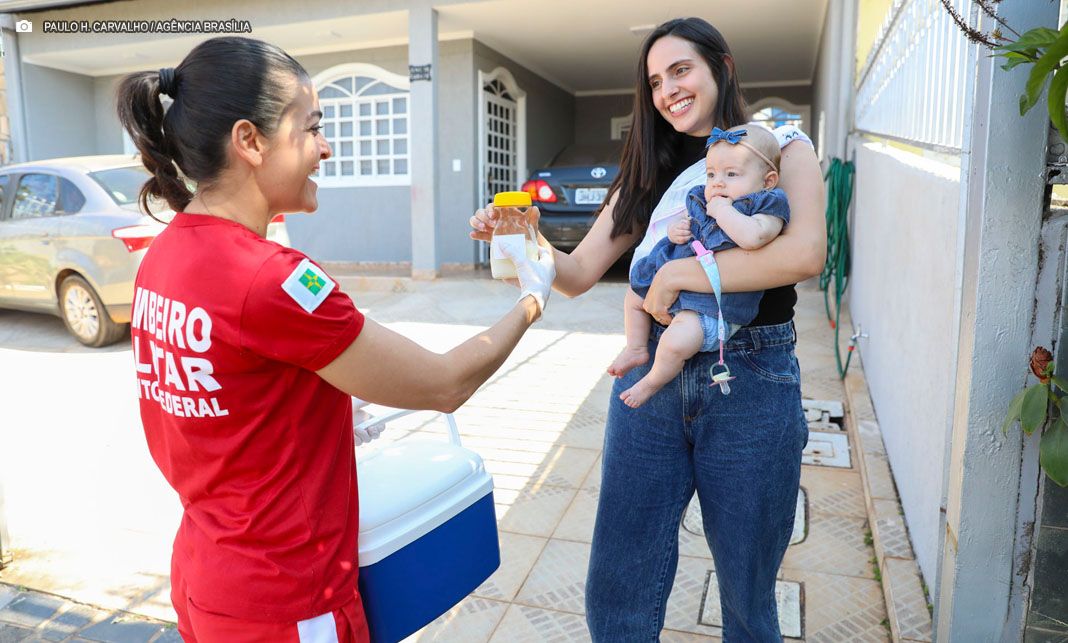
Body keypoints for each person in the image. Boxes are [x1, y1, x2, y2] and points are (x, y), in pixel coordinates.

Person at [118, 36, 554, 643]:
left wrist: (317, 412)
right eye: (312, 127)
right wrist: (533, 297)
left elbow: (223, 398)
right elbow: (444, 383)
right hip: (289, 598)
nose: (326, 147)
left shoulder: (164, 255)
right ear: (250, 141)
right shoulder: (272, 278)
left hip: (207, 577)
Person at [470, 17, 825, 642]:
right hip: (651, 374)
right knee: (620, 582)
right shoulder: (648, 166)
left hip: (750, 374)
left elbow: (803, 254)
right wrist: (521, 237)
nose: (668, 90)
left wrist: (676, 274)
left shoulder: (780, 149)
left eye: (681, 70)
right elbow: (578, 273)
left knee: (747, 590)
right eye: (655, 81)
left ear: (722, 67)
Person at [609, 123, 790, 408]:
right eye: (711, 174)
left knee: (675, 342)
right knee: (633, 295)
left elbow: (753, 237)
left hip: (711, 305)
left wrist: (723, 211)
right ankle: (636, 347)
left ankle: (651, 381)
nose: (717, 183)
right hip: (678, 279)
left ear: (768, 181)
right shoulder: (701, 198)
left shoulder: (766, 204)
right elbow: (690, 227)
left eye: (731, 174)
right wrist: (676, 231)